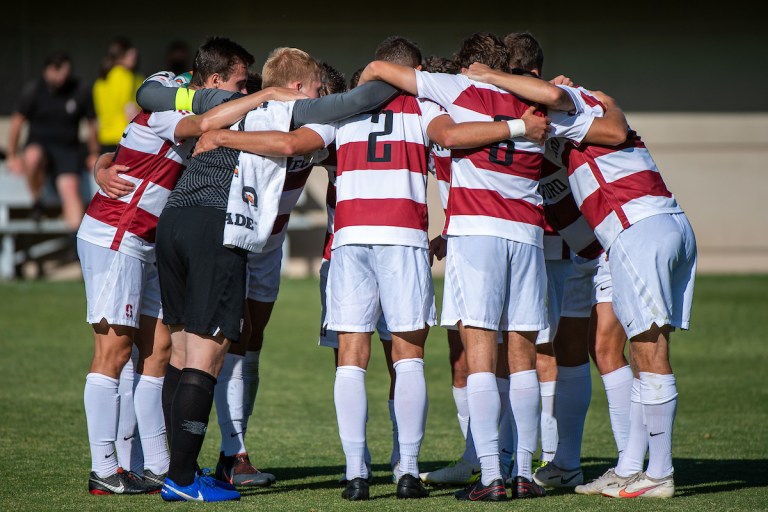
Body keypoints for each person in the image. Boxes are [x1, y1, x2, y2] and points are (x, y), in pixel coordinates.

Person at [193, 35, 549, 502]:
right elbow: (448, 137)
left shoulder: (340, 111)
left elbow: (292, 142)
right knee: (408, 358)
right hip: (404, 238)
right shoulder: (421, 108)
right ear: (407, 71)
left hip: (350, 241)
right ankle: (407, 470)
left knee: (350, 360)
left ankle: (357, 474)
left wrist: (221, 135)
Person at [358, 31, 628, 501]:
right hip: (526, 237)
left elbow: (382, 70)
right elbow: (607, 129)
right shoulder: (536, 109)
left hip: (476, 235)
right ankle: (524, 472)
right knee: (523, 360)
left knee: (481, 355)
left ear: (466, 66)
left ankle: (490, 477)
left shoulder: (456, 88)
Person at [153, 46, 402, 503]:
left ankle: (182, 465)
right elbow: (351, 104)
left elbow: (150, 93)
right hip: (227, 225)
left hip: (181, 220)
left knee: (191, 347)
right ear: (301, 87)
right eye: (316, 89)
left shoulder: (226, 104)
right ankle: (187, 476)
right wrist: (401, 74)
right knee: (210, 352)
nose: (321, 96)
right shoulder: (300, 110)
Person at [79, 36, 302, 498]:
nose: (243, 92)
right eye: (239, 84)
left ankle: (159, 466)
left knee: (158, 351)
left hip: (147, 239)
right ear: (216, 80)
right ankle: (104, 467)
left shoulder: (178, 98)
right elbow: (200, 123)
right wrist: (264, 96)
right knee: (114, 353)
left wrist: (103, 164)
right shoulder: (176, 105)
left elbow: (124, 149)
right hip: (117, 230)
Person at [6, 51, 99, 229]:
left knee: (70, 188)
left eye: (65, 72)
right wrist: (12, 155)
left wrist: (93, 152)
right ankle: (37, 202)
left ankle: (75, 245)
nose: (60, 77)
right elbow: (17, 122)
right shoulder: (34, 89)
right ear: (47, 70)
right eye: (56, 71)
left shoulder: (79, 89)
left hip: (67, 150)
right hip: (40, 148)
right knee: (33, 156)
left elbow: (92, 124)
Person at [93, 37, 143, 153]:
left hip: (105, 139)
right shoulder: (124, 75)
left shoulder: (100, 81)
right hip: (124, 138)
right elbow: (129, 109)